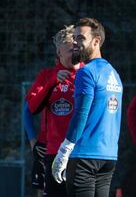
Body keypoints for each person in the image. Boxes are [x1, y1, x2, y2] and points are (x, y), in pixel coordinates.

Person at [52, 17, 123, 197]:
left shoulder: (87, 71)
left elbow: (81, 113)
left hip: (84, 156)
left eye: (81, 38)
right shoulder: (114, 74)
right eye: (74, 38)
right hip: (108, 157)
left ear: (96, 41)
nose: (75, 43)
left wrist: (64, 150)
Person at [26, 25, 83, 196]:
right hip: (53, 151)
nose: (74, 52)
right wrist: (52, 83)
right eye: (69, 49)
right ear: (59, 52)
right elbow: (30, 108)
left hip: (82, 151)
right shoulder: (47, 76)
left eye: (76, 48)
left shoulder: (88, 73)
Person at [23, 100, 47, 197]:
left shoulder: (78, 85)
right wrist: (32, 138)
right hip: (44, 147)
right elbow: (26, 111)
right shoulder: (44, 85)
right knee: (41, 188)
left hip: (68, 148)